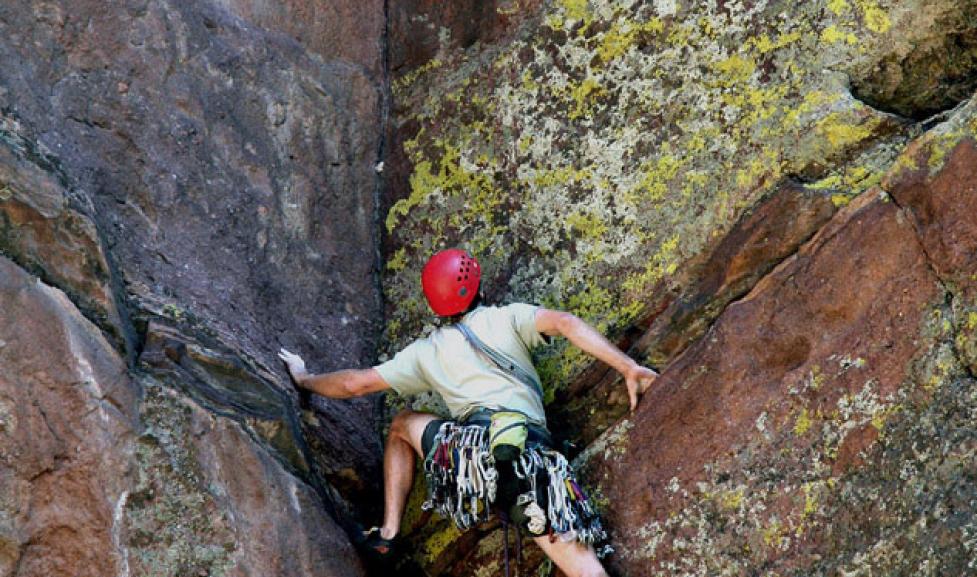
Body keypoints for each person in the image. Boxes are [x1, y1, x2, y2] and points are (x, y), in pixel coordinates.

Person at [280, 249, 657, 577]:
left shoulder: (427, 352)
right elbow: (566, 323)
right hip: (529, 464)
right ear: (476, 284)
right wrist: (627, 367)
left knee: (401, 425)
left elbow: (354, 385)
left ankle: (389, 533)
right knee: (587, 570)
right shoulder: (507, 318)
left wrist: (305, 378)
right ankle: (516, 492)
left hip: (467, 460)